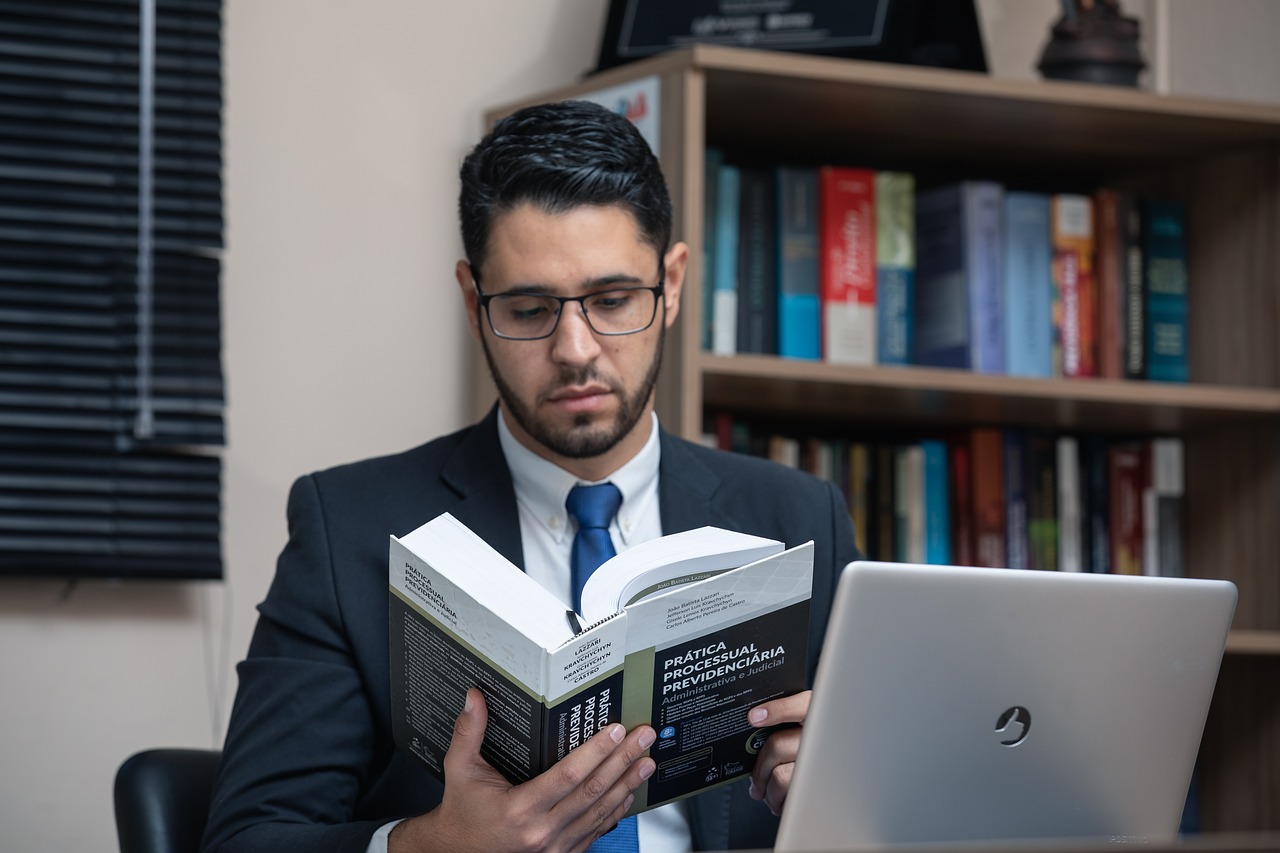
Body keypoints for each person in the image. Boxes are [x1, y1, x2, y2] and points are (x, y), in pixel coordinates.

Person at [201, 99, 859, 853]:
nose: (576, 348)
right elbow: (246, 839)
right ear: (473, 301)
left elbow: (890, 813)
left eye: (613, 300)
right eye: (529, 307)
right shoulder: (348, 525)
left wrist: (835, 791)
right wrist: (430, 845)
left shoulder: (799, 517)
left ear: (671, 284)